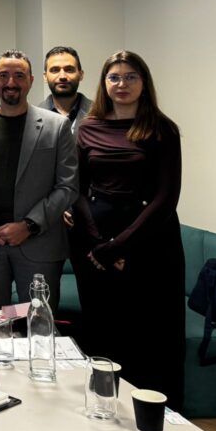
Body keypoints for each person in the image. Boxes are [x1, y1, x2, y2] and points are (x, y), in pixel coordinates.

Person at [71, 51, 184, 409]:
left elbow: (166, 198)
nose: (122, 84)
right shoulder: (87, 127)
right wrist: (98, 245)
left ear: (144, 83)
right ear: (104, 83)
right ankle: (104, 410)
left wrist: (118, 247)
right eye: (114, 77)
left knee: (149, 334)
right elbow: (76, 190)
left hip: (150, 244)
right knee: (102, 330)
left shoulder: (162, 129)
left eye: (131, 76)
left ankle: (153, 418)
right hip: (95, 246)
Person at [0, 50, 78, 310]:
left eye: (19, 76)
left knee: (37, 323)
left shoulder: (57, 126)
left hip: (39, 246)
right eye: (4, 75)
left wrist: (29, 225)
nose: (11, 82)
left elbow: (67, 187)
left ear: (31, 80)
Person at [39, 46, 92, 135]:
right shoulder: (33, 117)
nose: (62, 76)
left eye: (69, 70)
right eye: (55, 70)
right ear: (45, 77)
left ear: (81, 75)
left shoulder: (100, 113)